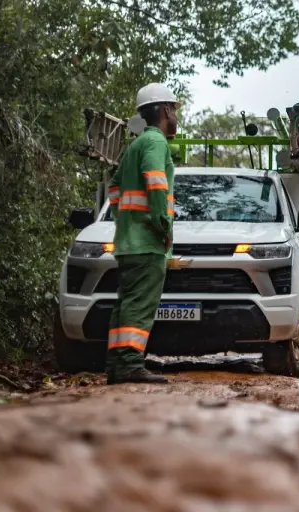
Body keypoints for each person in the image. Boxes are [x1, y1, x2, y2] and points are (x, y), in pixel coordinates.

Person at [104, 83, 179, 384]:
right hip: (147, 241)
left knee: (125, 303)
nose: (175, 115)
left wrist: (125, 217)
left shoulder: (134, 145)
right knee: (139, 305)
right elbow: (156, 182)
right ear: (163, 110)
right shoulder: (155, 143)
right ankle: (130, 365)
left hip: (127, 240)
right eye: (173, 109)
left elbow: (114, 185)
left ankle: (116, 364)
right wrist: (162, 223)